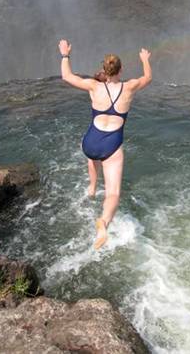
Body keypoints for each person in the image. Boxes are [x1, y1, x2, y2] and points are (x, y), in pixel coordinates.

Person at [58, 40, 152, 249]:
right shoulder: (129, 88)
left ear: (104, 70)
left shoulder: (94, 86)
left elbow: (67, 76)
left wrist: (65, 55)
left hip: (91, 141)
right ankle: (103, 223)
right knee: (113, 194)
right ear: (121, 70)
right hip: (112, 143)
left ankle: (91, 188)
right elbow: (148, 77)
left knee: (93, 158)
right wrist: (145, 60)